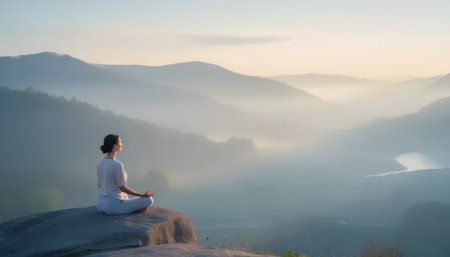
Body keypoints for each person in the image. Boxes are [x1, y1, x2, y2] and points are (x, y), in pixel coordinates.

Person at [96, 134, 154, 214]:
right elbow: (122, 188)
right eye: (120, 142)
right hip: (112, 206)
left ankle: (131, 207)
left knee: (125, 196)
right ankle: (134, 209)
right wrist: (142, 195)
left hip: (100, 203)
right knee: (148, 200)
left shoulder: (100, 162)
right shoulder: (117, 165)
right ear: (114, 146)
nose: (121, 144)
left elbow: (100, 185)